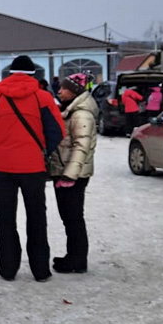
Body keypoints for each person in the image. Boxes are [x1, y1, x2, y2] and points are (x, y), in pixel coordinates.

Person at [0, 55, 65, 282]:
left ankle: (8, 268)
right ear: (33, 74)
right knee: (36, 217)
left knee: (5, 218)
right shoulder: (43, 98)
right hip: (33, 167)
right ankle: (40, 270)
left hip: (2, 167)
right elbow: (57, 131)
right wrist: (42, 150)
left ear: (11, 73)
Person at [48, 73, 98, 273]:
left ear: (75, 90)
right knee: (70, 217)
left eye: (64, 88)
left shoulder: (81, 114)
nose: (59, 91)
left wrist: (69, 175)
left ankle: (77, 260)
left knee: (73, 217)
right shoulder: (73, 110)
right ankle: (74, 256)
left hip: (72, 175)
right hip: (66, 171)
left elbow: (81, 146)